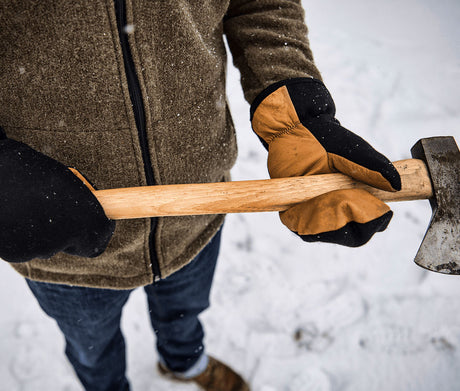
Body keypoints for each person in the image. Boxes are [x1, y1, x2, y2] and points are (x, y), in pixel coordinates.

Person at [0, 1, 401, 390]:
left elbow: (261, 4)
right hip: (58, 238)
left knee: (184, 314)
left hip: (199, 209)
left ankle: (184, 362)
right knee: (91, 346)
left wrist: (296, 113)